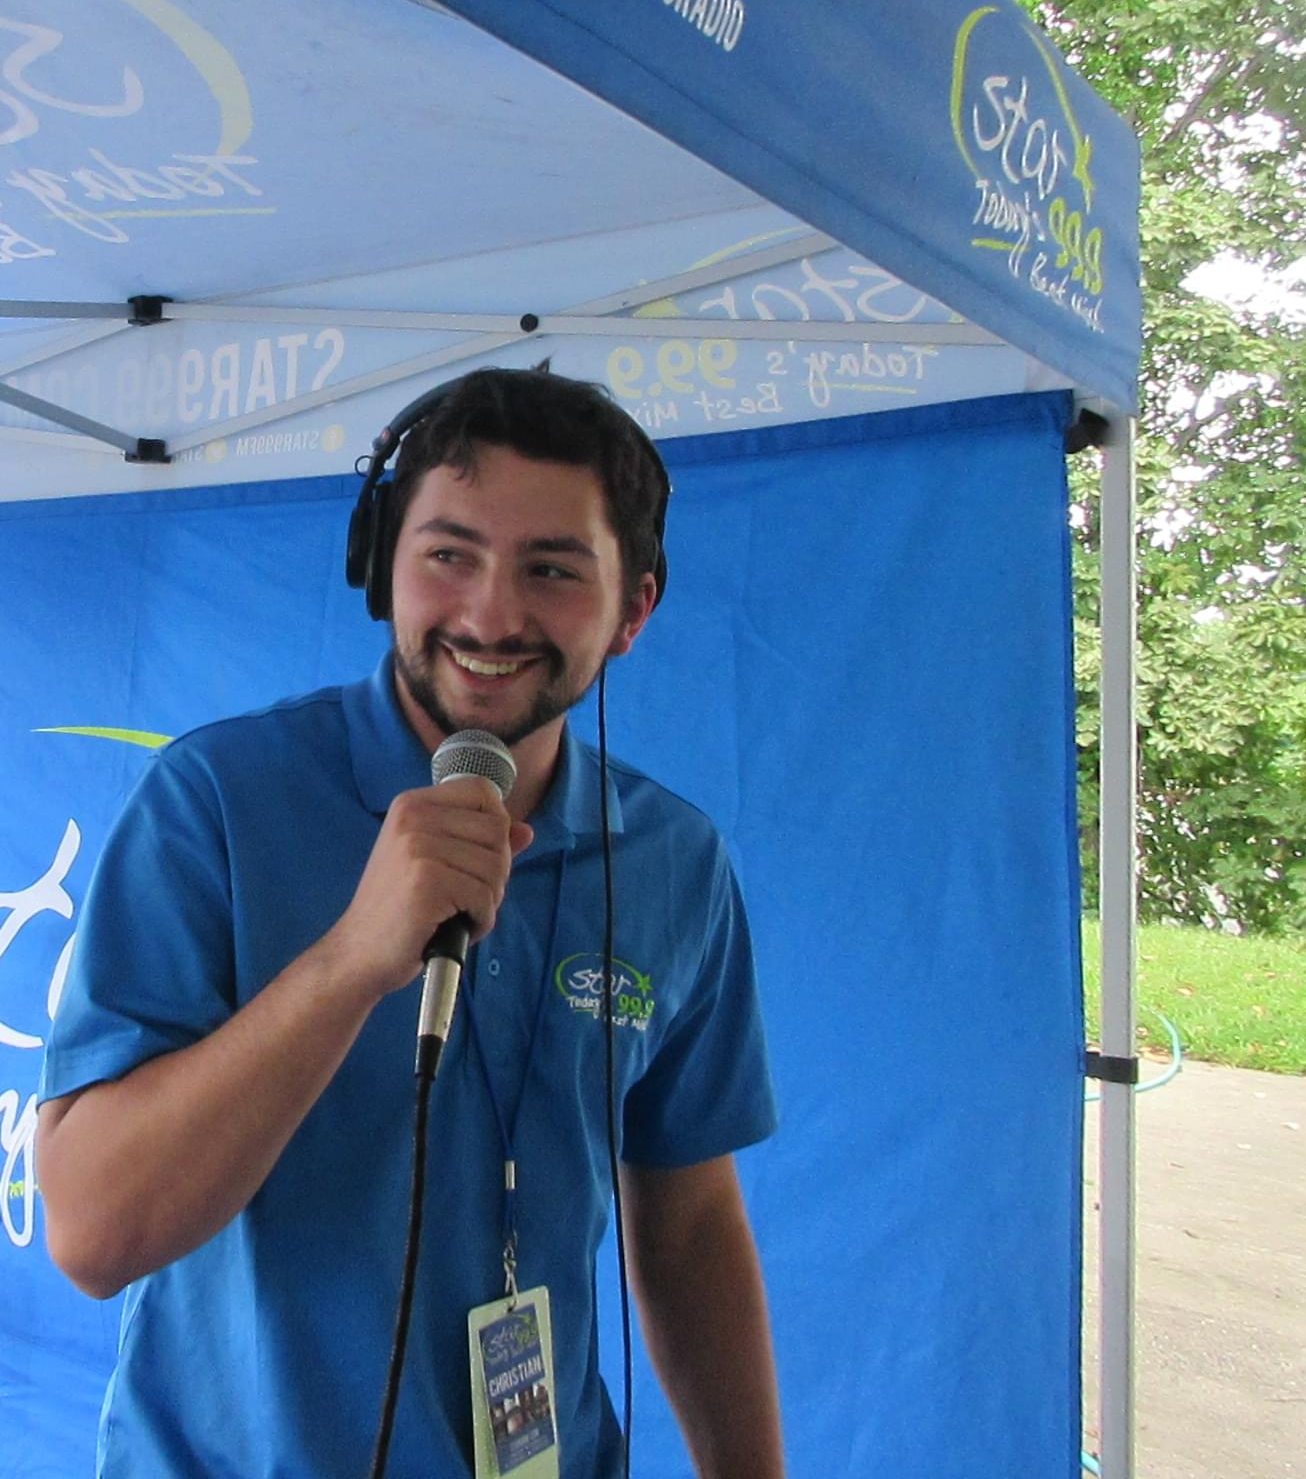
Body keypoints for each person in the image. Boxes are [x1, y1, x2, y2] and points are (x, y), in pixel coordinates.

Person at [38, 367, 782, 1477]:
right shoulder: (218, 802)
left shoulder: (674, 861)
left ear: (633, 609)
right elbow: (95, 1234)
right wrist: (350, 961)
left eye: (551, 569)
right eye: (449, 555)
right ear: (379, 564)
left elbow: (688, 1222)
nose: (491, 614)